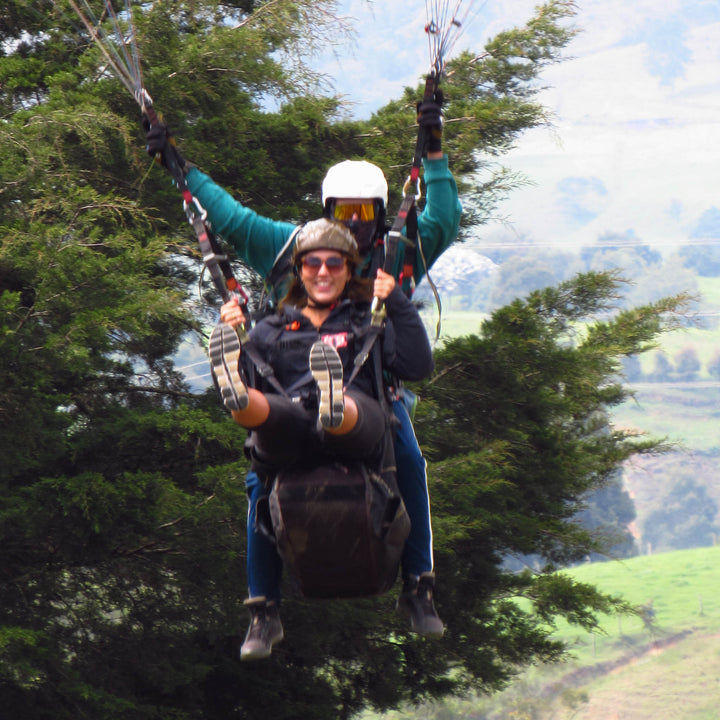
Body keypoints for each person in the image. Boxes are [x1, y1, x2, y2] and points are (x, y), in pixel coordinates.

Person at [145, 96, 461, 656]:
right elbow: (228, 216)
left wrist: (433, 151)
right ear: (327, 212)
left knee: (408, 462)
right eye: (344, 213)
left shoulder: (399, 253)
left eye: (365, 214)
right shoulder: (296, 249)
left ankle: (419, 588)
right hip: (289, 384)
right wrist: (179, 166)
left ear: (381, 214)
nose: (354, 228)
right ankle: (263, 610)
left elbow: (445, 217)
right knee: (257, 481)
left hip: (374, 388)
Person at [211, 218, 434, 658]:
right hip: (291, 427)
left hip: (360, 426)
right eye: (313, 263)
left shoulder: (367, 319)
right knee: (268, 429)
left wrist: (397, 303)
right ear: (300, 271)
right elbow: (258, 371)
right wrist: (239, 338)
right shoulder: (272, 329)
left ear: (350, 270)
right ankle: (238, 402)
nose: (323, 271)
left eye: (335, 263)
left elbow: (417, 366)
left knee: (349, 414)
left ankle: (333, 405)